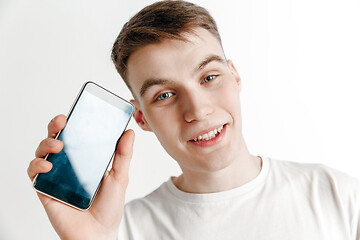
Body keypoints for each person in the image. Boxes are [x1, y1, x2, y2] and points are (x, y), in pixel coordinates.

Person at [28, 1, 360, 239]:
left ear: (235, 76)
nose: (198, 110)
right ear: (141, 117)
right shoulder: (122, 230)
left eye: (209, 77)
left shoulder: (338, 196)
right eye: (164, 95)